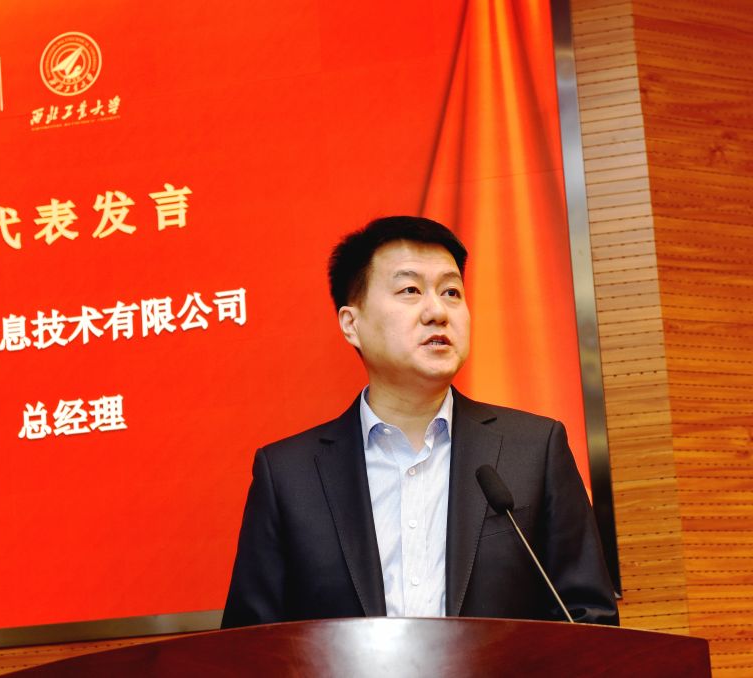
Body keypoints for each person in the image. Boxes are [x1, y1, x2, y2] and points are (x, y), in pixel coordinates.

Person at [221, 216, 618, 628]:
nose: (437, 312)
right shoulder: (289, 476)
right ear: (352, 324)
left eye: (451, 292)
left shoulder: (534, 450)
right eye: (410, 290)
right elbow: (250, 644)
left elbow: (589, 621)